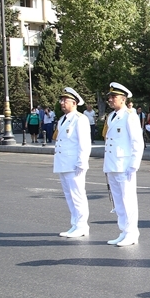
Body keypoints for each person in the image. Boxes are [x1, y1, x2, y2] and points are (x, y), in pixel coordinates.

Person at [102, 82, 144, 247]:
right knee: (118, 201)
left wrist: (133, 164)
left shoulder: (130, 116)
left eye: (114, 97)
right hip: (112, 164)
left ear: (123, 99)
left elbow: (137, 142)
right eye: (110, 97)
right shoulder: (111, 116)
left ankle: (132, 233)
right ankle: (124, 231)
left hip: (124, 165)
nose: (110, 99)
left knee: (128, 200)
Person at [53, 87, 92, 238]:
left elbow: (84, 143)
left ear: (74, 103)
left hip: (74, 164)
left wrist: (82, 163)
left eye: (65, 100)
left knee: (77, 195)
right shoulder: (62, 120)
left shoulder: (80, 119)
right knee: (69, 196)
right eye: (61, 100)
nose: (62, 103)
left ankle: (82, 225)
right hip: (63, 163)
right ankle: (75, 224)